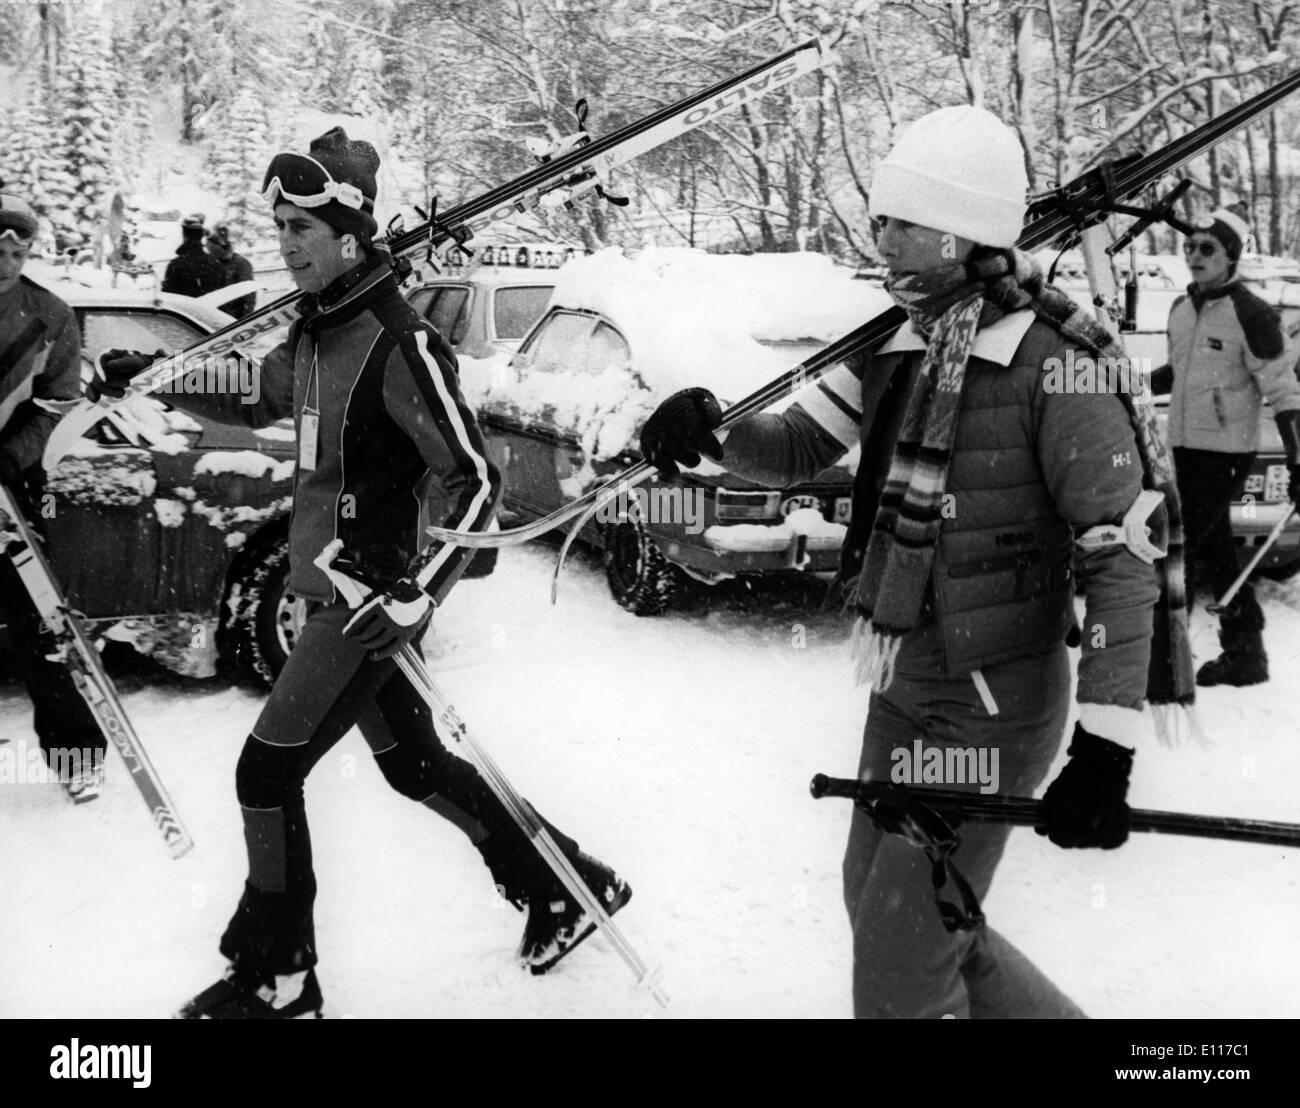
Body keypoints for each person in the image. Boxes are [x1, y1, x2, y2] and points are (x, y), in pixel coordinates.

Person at [639, 105, 1195, 1019]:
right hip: (904, 690)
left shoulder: (1063, 361)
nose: (877, 233)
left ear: (954, 230)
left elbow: (1122, 553)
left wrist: (1107, 747)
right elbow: (796, 449)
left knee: (904, 951)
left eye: (896, 218)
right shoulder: (901, 341)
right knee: (899, 912)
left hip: (990, 712)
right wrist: (710, 430)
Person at [94, 128, 630, 1019]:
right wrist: (154, 375)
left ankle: (281, 976)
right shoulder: (316, 333)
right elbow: (255, 394)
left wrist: (421, 593)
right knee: (415, 765)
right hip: (323, 593)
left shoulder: (396, 342)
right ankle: (566, 886)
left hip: (367, 604)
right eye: (279, 228)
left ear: (349, 232)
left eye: (303, 224)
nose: (286, 243)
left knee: (264, 776)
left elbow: (476, 480)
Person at [1150, 209, 1300, 686]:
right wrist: (1123, 381)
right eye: (1190, 246)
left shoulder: (1253, 313)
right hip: (1183, 446)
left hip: (1227, 453)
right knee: (1217, 550)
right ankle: (1246, 654)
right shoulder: (1181, 308)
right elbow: (1180, 371)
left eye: (1207, 248)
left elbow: (1282, 388)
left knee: (1179, 546)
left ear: (1231, 255)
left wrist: (1297, 458)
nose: (1194, 255)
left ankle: (1166, 661)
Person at [0, 191, 107, 801]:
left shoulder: (50, 314)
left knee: (41, 631)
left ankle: (78, 760)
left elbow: (59, 404)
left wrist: (10, 455)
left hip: (13, 488)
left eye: (21, 250)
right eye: (0, 247)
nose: (9, 260)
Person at [161, 213, 227, 299]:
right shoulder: (216, 264)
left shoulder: (176, 265)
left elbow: (168, 299)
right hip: (210, 311)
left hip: (185, 311)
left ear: (184, 235)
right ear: (200, 237)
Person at [206, 222, 256, 319]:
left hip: (231, 319)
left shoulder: (240, 264)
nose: (208, 246)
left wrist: (244, 321)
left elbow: (248, 297)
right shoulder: (208, 263)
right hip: (212, 316)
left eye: (211, 243)